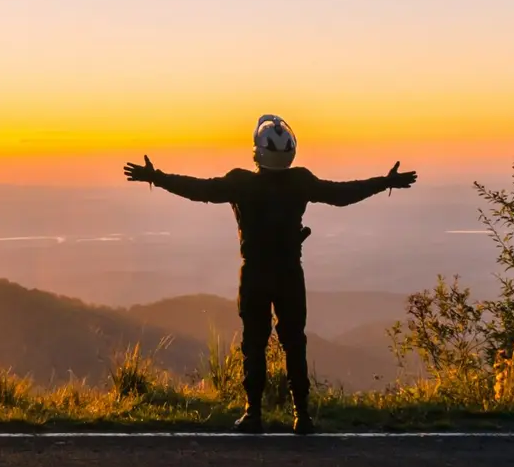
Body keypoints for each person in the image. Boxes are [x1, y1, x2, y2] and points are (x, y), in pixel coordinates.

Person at [123, 114, 417, 435]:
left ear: (257, 152)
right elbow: (342, 194)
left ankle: (253, 414)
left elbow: (199, 190)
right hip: (290, 272)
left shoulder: (241, 183)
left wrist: (158, 177)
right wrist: (384, 183)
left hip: (255, 275)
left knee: (254, 343)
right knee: (295, 343)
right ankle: (301, 416)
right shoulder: (300, 181)